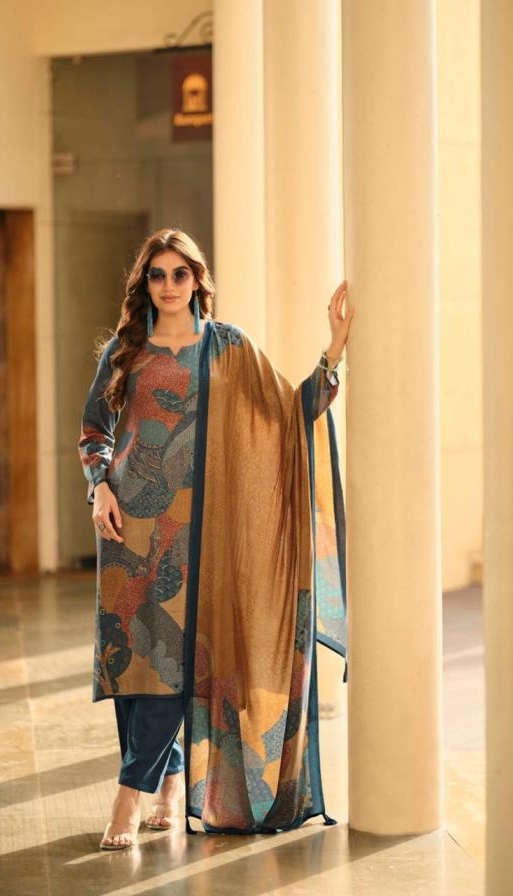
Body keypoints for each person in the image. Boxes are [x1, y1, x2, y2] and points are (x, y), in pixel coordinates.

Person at [78, 228, 353, 850]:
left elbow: (288, 413)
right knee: (135, 664)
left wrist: (332, 352)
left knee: (175, 662)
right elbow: (95, 429)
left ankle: (128, 796)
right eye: (157, 274)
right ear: (144, 283)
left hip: (198, 533)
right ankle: (170, 778)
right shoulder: (124, 349)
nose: (169, 285)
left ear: (198, 281)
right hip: (127, 526)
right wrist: (100, 487)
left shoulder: (228, 347)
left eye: (180, 274)